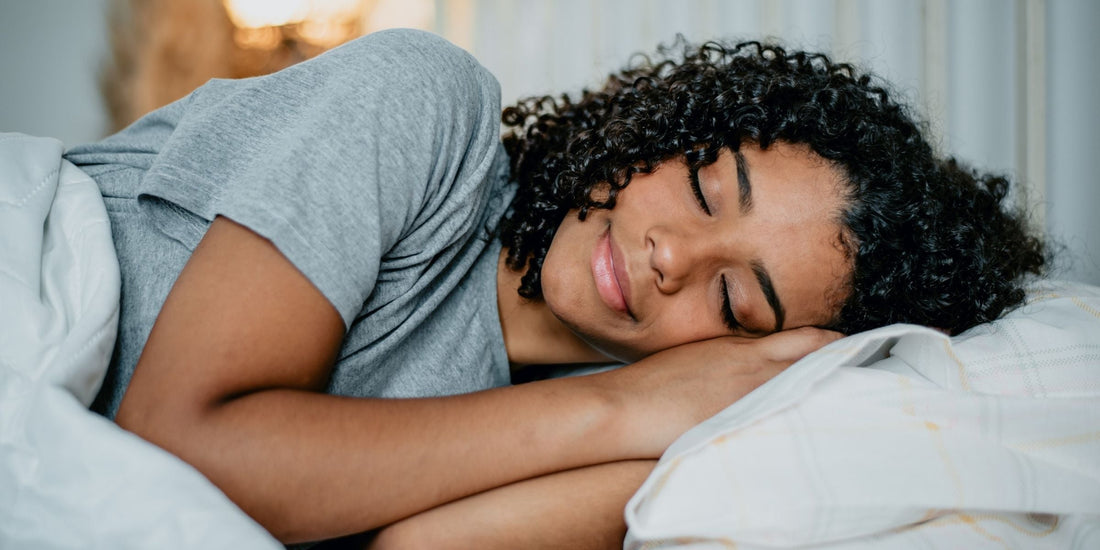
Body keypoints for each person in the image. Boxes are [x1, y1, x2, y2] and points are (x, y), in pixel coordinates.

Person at [64, 29, 1045, 548]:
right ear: (663, 126)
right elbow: (173, 442)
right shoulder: (423, 103)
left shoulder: (610, 440)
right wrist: (617, 403)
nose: (672, 257)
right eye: (705, 185)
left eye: (735, 302)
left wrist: (651, 428)